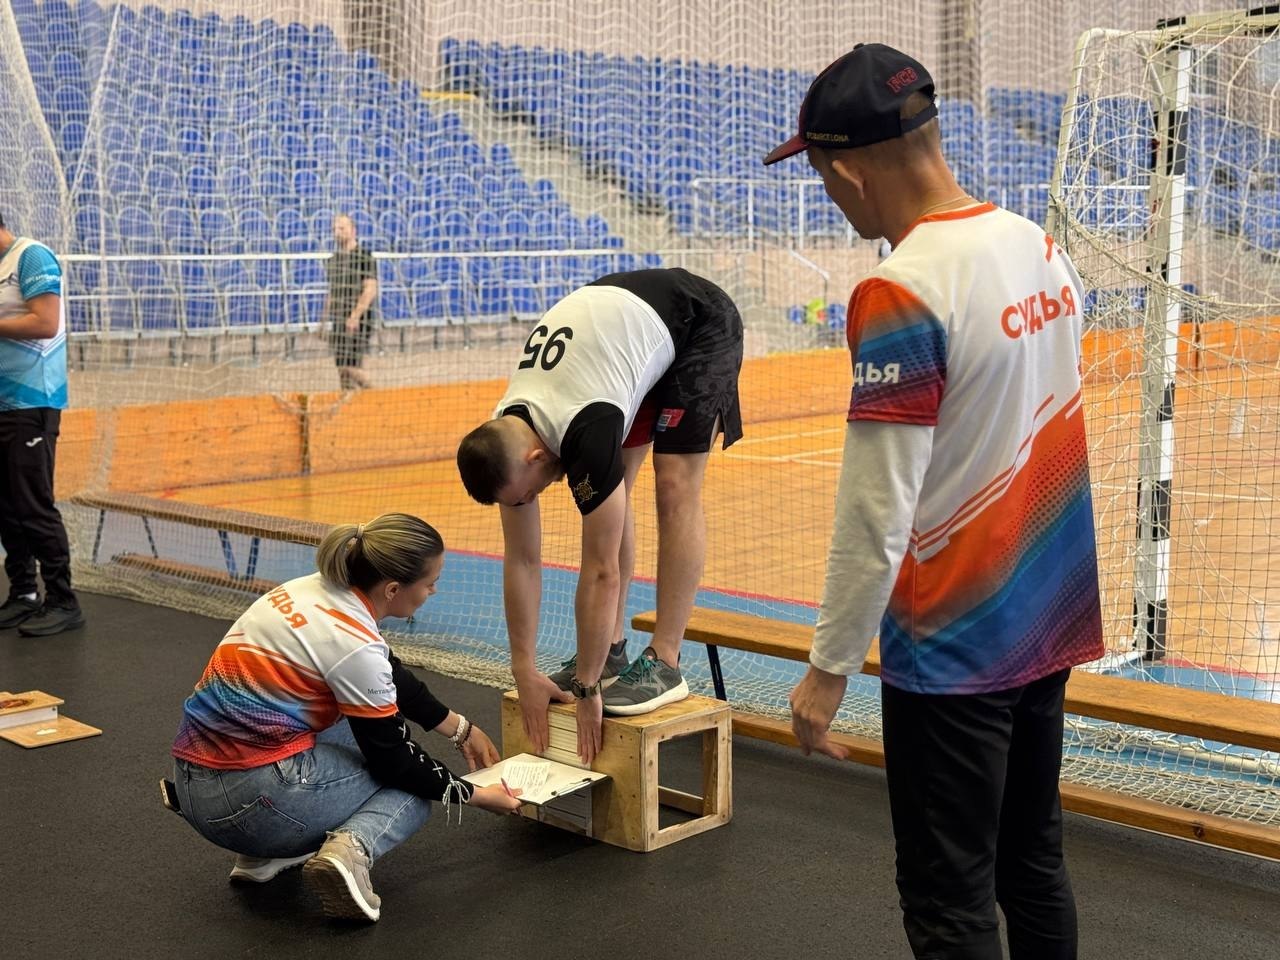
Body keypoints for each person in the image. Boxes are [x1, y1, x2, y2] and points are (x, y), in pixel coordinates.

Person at [767, 45, 1103, 960]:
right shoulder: (1037, 246)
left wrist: (829, 666)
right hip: (1051, 611)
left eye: (822, 179)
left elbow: (876, 508)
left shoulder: (900, 287)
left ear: (847, 171)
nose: (831, 199)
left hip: (956, 645)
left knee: (949, 902)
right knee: (1033, 863)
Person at [168, 513, 522, 923]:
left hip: (193, 787)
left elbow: (388, 672)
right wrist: (477, 795)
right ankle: (350, 852)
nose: (433, 591)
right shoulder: (355, 645)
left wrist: (461, 729)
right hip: (248, 806)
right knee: (411, 788)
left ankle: (263, 855)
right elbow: (397, 763)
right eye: (430, 583)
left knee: (361, 726)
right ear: (393, 589)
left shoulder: (310, 590)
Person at [456, 268, 743, 764]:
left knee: (673, 486)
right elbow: (522, 560)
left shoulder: (587, 426)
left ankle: (666, 658)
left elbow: (601, 570)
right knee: (615, 492)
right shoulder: (504, 437)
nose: (531, 500)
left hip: (697, 323)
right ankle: (609, 650)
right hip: (619, 343)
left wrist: (587, 688)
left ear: (534, 458)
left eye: (528, 495)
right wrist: (524, 669)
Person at [0, 212, 85, 638]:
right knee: (5, 506)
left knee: (33, 504)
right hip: (2, 403)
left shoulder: (30, 256)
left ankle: (63, 600)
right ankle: (24, 592)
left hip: (32, 402)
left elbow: (45, 322)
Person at [324, 213, 378, 391]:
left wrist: (355, 316)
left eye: (342, 228)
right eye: (334, 229)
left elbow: (370, 289)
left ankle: (375, 395)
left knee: (351, 366)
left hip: (359, 320)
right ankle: (349, 400)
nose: (337, 232)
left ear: (353, 230)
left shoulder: (364, 256)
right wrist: (323, 321)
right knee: (342, 369)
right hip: (339, 319)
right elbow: (332, 292)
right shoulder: (333, 261)